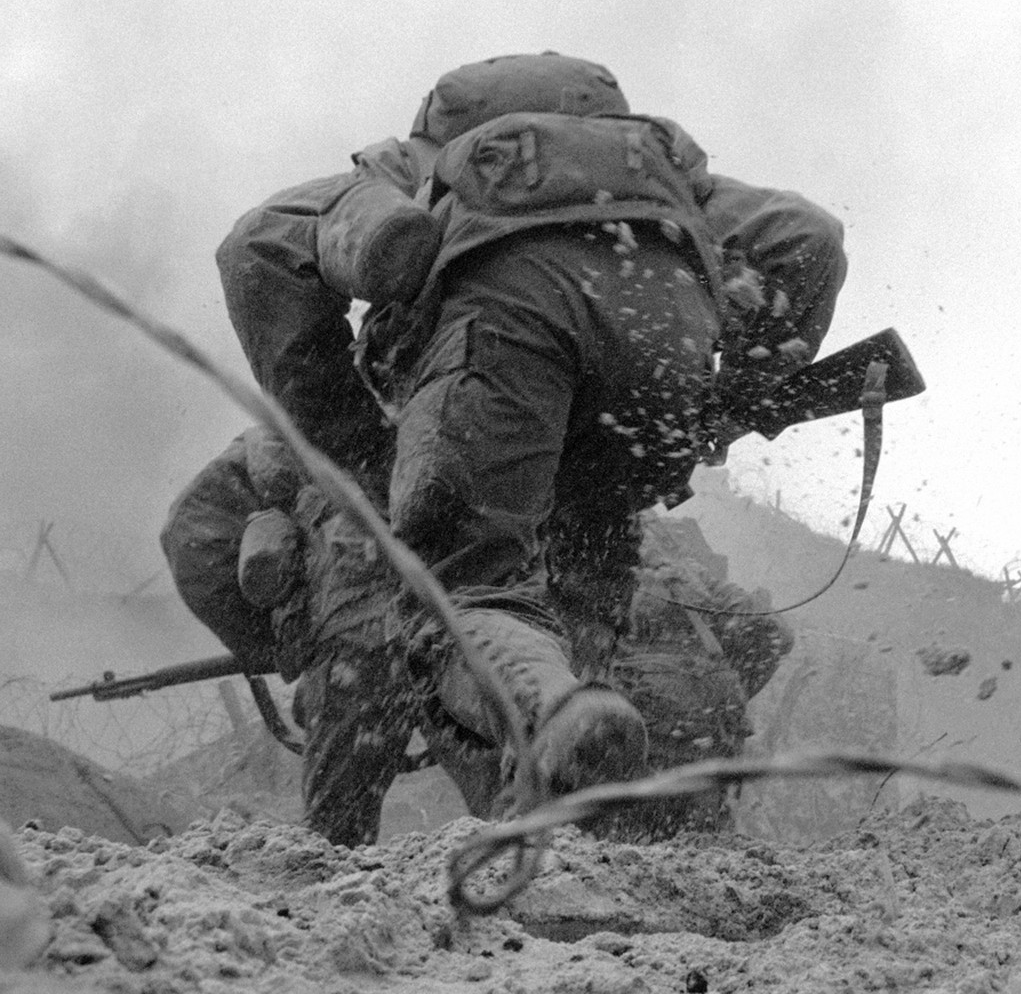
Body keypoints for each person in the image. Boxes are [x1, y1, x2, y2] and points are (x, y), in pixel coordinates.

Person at [166, 53, 840, 843]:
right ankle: (562, 818)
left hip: (504, 358)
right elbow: (810, 238)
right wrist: (723, 406)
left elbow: (259, 248)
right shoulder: (658, 172)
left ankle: (536, 728)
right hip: (658, 366)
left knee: (464, 602)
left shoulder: (420, 167)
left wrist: (351, 448)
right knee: (582, 613)